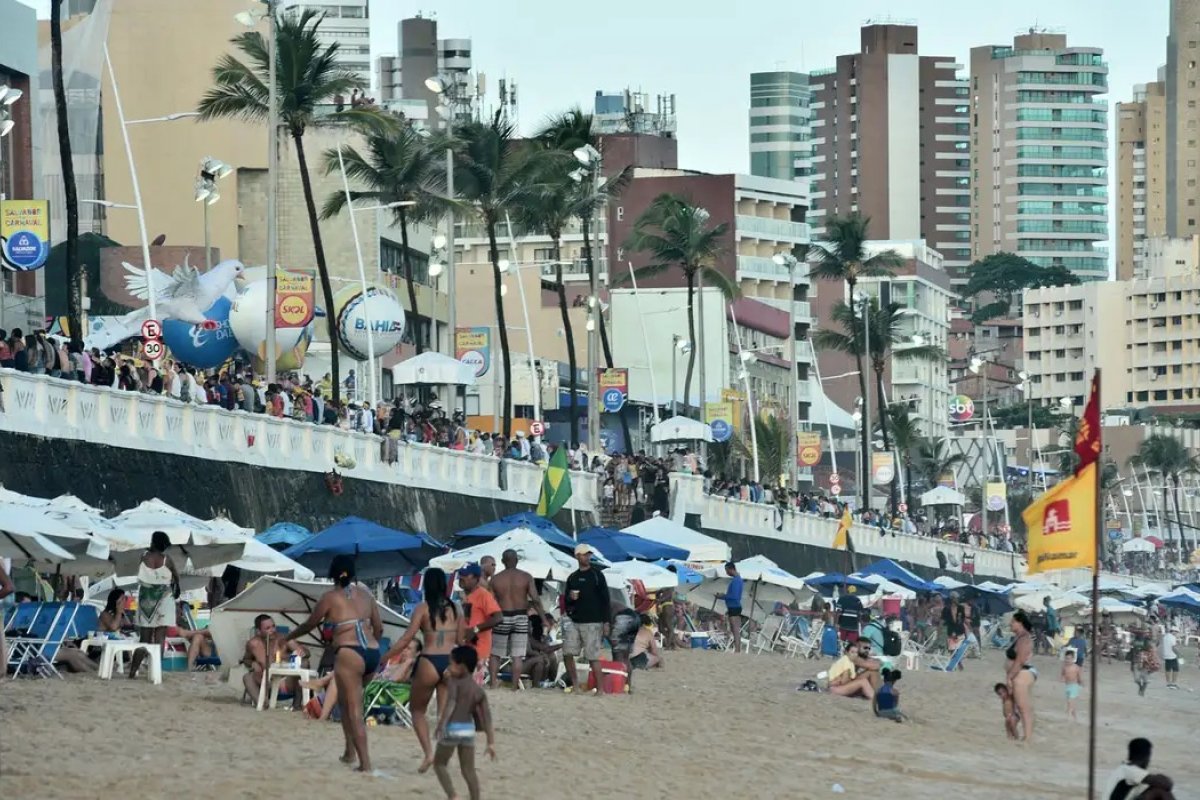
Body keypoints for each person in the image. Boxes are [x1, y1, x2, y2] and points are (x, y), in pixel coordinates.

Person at [285, 554, 381, 773]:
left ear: (332, 574)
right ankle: (349, 751)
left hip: (349, 652)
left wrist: (289, 635)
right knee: (347, 703)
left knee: (354, 708)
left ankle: (365, 763)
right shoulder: (367, 595)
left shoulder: (329, 597)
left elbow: (310, 624)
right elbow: (379, 627)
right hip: (372, 652)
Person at [381, 567, 462, 773]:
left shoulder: (422, 608)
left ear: (426, 585)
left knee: (417, 711)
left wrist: (385, 657)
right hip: (450, 661)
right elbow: (461, 640)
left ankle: (429, 754)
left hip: (429, 661)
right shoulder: (457, 609)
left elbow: (407, 638)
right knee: (443, 715)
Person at [432, 645, 496, 800]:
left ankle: (453, 796)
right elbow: (487, 717)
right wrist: (491, 742)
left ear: (461, 667)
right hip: (468, 730)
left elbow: (451, 703)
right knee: (468, 770)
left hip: (453, 727)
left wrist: (441, 725)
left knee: (439, 764)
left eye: (451, 663)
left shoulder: (455, 683)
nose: (448, 666)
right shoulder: (478, 690)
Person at [487, 549, 544, 690]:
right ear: (517, 560)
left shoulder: (495, 579)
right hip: (521, 616)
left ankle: (493, 683)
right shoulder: (526, 577)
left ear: (502, 561)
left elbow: (490, 603)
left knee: (495, 653)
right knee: (517, 655)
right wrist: (543, 618)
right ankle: (514, 686)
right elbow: (535, 599)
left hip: (502, 616)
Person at [129, 531, 181, 680]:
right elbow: (176, 578)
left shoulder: (143, 557)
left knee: (144, 638)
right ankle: (155, 673)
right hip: (165, 598)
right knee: (160, 637)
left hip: (146, 599)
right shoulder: (167, 560)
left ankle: (133, 672)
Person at [562, 544, 612, 694]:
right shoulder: (573, 577)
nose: (587, 557)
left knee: (593, 656)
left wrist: (606, 621)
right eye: (584, 554)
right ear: (577, 556)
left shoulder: (597, 575)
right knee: (567, 653)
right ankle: (576, 684)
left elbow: (605, 599)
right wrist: (571, 598)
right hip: (575, 619)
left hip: (593, 621)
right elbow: (567, 601)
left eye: (588, 554)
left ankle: (600, 689)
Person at [242, 613, 308, 706]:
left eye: (273, 626)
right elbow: (246, 659)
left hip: (286, 681)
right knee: (247, 677)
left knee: (304, 663)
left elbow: (306, 654)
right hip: (266, 682)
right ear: (258, 631)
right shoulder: (253, 644)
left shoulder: (283, 639)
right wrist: (252, 663)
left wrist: (300, 651)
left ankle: (296, 704)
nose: (272, 630)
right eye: (267, 628)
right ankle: (262, 703)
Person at [457, 564, 502, 679]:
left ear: (476, 579)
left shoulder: (483, 595)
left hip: (478, 648)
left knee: (470, 687)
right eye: (460, 574)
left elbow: (498, 617)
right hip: (464, 646)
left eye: (465, 575)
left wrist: (475, 629)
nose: (461, 577)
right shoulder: (465, 596)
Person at [1104, 738, 1176, 800]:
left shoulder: (1124, 769)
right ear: (1147, 756)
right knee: (1159, 791)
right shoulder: (1130, 770)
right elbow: (1166, 784)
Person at [1004, 610, 1037, 742]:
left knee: (1023, 708)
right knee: (1011, 708)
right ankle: (1014, 736)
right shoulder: (1019, 637)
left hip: (1022, 673)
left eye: (1013, 622)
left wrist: (1010, 677)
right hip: (1017, 673)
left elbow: (1020, 660)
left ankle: (1027, 738)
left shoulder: (1025, 639)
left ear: (1020, 623)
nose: (1010, 624)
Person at [176, 600, 214, 671]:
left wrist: (188, 633)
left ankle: (190, 667)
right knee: (198, 637)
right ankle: (190, 668)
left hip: (217, 653)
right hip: (207, 652)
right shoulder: (177, 624)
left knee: (200, 635)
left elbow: (211, 632)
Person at [723, 561, 745, 653]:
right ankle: (737, 649)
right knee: (734, 629)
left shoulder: (736, 580)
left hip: (734, 607)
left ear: (730, 569)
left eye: (726, 570)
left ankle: (737, 649)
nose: (726, 573)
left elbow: (734, 596)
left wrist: (722, 596)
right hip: (733, 606)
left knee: (735, 629)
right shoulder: (738, 579)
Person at [1061, 648, 1082, 722]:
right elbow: (1063, 674)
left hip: (1074, 686)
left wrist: (1081, 683)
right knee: (1071, 703)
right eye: (1066, 658)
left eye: (1069, 659)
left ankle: (1068, 716)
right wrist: (1062, 678)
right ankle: (1075, 718)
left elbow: (1079, 677)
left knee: (1070, 701)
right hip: (1068, 686)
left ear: (1073, 659)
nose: (1068, 660)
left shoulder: (1076, 667)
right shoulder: (1064, 667)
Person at [1161, 625, 1179, 689]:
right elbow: (1173, 647)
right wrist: (1179, 654)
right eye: (1176, 632)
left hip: (1166, 655)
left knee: (1167, 669)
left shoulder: (1165, 636)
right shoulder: (1173, 637)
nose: (1177, 633)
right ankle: (1173, 684)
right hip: (1172, 656)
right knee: (1176, 669)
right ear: (1173, 631)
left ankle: (1168, 684)